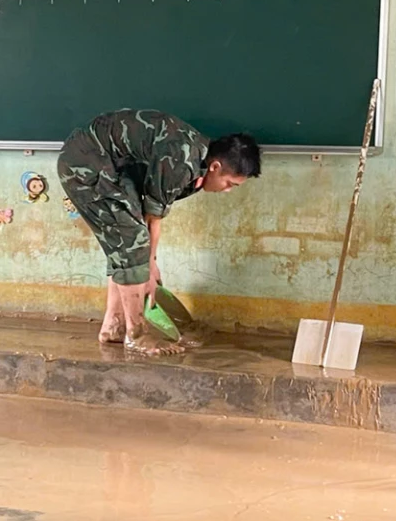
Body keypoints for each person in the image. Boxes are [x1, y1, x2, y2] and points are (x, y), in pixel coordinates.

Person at [55, 110, 260, 353]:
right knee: (133, 243)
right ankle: (137, 335)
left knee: (127, 245)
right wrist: (150, 265)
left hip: (113, 168)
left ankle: (114, 326)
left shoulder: (197, 165)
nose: (227, 191)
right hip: (86, 163)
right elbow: (152, 217)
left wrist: (147, 262)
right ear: (216, 166)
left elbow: (148, 209)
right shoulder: (182, 159)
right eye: (230, 184)